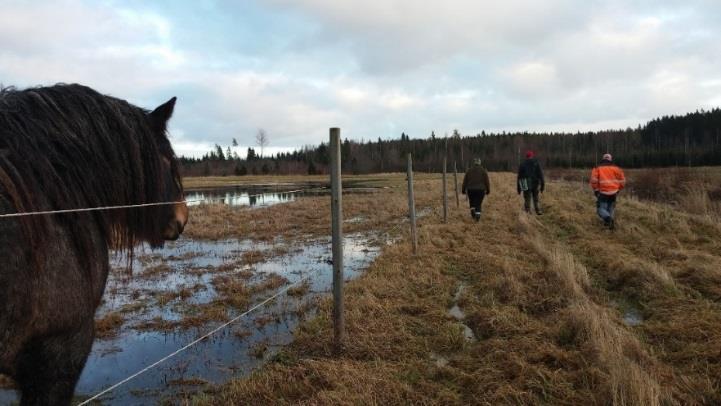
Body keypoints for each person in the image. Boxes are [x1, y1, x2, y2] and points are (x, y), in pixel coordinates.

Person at [590, 153, 625, 229]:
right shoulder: (617, 168)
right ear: (610, 159)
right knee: (610, 208)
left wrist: (596, 190)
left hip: (602, 192)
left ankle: (608, 220)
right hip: (614, 192)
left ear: (603, 159)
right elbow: (622, 181)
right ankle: (610, 225)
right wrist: (618, 189)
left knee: (601, 209)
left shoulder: (597, 168)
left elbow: (593, 181)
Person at [517, 150, 545, 214]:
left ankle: (527, 210)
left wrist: (519, 189)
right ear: (532, 156)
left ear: (526, 157)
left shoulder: (522, 164)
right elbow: (541, 175)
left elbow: (519, 177)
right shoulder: (536, 163)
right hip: (535, 183)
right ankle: (538, 210)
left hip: (525, 183)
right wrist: (542, 186)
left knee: (527, 197)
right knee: (535, 197)